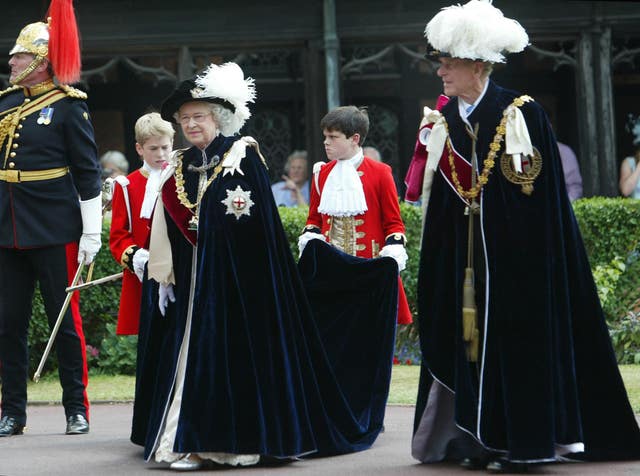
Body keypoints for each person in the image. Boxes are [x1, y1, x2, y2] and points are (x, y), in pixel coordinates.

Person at [412, 0, 640, 473]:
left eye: (448, 64)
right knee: (466, 343)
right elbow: (444, 203)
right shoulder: (445, 119)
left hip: (516, 263)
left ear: (477, 66)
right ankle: (474, 438)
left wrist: (519, 256)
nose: (441, 72)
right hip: (465, 263)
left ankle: (521, 443)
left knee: (514, 344)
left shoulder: (519, 112)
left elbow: (533, 196)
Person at [133, 63, 397, 471]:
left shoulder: (242, 156)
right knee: (192, 360)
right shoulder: (180, 164)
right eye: (184, 118)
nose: (190, 124)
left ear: (218, 117)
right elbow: (170, 224)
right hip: (194, 289)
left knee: (231, 360)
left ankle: (222, 444)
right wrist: (165, 272)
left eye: (198, 116)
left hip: (240, 290)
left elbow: (256, 233)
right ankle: (187, 441)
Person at [0, 0, 102, 437]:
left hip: (56, 225)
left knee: (65, 324)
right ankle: (12, 412)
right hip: (8, 226)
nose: (11, 60)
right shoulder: (5, 102)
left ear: (41, 62)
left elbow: (87, 171)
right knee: (9, 324)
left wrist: (91, 231)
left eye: (19, 55)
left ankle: (75, 408)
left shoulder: (68, 105)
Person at [299, 106, 412, 325]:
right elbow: (314, 220)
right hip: (330, 273)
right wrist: (311, 237)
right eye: (325, 136)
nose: (326, 142)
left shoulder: (380, 173)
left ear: (355, 138)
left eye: (333, 137)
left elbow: (393, 223)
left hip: (368, 271)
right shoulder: (321, 173)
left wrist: (391, 253)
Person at [109, 112, 174, 335]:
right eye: (153, 149)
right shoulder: (126, 185)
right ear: (139, 149)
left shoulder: (183, 179)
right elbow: (118, 237)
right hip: (142, 274)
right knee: (149, 337)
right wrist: (138, 257)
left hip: (179, 268)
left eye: (165, 147)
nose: (161, 154)